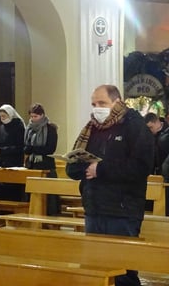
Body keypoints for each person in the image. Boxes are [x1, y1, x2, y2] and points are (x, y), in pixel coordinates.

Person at [66, 85, 154, 286]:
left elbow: (141, 166)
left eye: (102, 103)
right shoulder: (91, 128)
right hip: (94, 206)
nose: (97, 108)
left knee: (123, 271)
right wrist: (80, 167)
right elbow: (74, 167)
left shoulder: (134, 126)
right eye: (94, 104)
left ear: (117, 102)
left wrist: (101, 169)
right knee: (95, 269)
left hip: (122, 209)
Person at [23, 103, 60, 215]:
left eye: (36, 116)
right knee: (32, 193)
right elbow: (25, 148)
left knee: (48, 195)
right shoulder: (29, 129)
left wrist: (33, 148)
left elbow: (50, 149)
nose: (33, 119)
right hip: (32, 165)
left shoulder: (50, 129)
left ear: (42, 115)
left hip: (45, 165)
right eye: (31, 116)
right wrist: (31, 149)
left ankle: (50, 215)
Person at [0, 104, 25, 201]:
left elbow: (20, 147)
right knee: (0, 190)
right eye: (0, 116)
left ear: (10, 115)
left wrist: (4, 150)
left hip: (14, 162)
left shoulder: (19, 127)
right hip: (2, 162)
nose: (2, 118)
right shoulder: (1, 127)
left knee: (12, 191)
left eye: (4, 116)